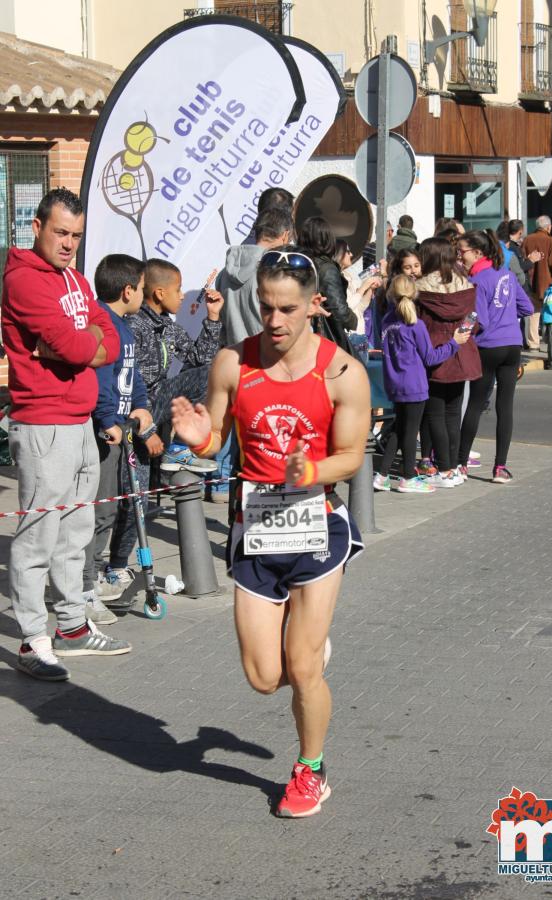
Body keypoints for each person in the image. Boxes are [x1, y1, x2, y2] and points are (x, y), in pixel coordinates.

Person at [170, 246, 370, 818]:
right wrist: (197, 438)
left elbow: (352, 455)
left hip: (315, 527)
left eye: (287, 308)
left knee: (302, 667)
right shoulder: (234, 363)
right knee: (264, 677)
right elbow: (216, 441)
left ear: (315, 305)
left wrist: (312, 470)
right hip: (254, 527)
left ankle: (310, 769)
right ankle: (307, 654)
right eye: (266, 306)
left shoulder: (342, 373)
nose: (274, 321)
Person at [1, 187, 131, 681]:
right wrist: (80, 347)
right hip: (43, 423)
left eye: (75, 235)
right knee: (38, 536)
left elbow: (107, 336)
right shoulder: (24, 281)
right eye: (60, 232)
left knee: (75, 532)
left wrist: (83, 346)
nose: (68, 243)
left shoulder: (73, 278)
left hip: (78, 422)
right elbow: (72, 345)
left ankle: (73, 626)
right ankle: (33, 640)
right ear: (36, 227)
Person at [82, 255, 158, 622]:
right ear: (128, 290)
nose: (143, 294)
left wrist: (141, 407)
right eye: (142, 288)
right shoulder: (102, 324)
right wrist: (108, 419)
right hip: (105, 435)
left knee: (113, 507)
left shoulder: (124, 328)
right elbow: (101, 378)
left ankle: (100, 576)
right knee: (100, 511)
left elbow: (134, 377)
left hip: (123, 430)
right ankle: (87, 583)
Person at [124, 258, 223, 534]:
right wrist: (146, 430)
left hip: (158, 404)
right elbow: (133, 384)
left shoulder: (168, 326)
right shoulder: (137, 326)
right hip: (137, 413)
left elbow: (200, 358)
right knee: (134, 500)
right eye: (178, 290)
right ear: (159, 293)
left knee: (212, 371)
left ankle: (179, 448)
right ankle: (114, 563)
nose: (182, 296)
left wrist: (212, 317)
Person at [374, 275, 470, 493]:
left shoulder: (387, 321)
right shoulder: (415, 325)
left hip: (394, 384)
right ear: (415, 294)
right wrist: (454, 343)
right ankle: (408, 477)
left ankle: (382, 475)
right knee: (410, 432)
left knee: (399, 429)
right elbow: (430, 357)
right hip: (415, 385)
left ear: (391, 294)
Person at [456, 229, 534, 484]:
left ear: (478, 253)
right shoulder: (508, 275)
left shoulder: (478, 281)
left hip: (489, 346)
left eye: (462, 251)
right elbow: (527, 307)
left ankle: (461, 463)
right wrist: (508, 318)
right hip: (512, 346)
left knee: (476, 405)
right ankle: (500, 467)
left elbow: (481, 321)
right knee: (505, 406)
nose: (460, 256)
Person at [415, 238, 481, 488]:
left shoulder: (420, 288)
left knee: (435, 414)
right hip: (462, 351)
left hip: (434, 353)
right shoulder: (465, 284)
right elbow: (474, 320)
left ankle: (444, 468)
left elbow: (415, 322)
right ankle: (454, 466)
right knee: (453, 413)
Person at [217, 207, 293, 346]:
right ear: (285, 235)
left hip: (234, 357)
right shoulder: (276, 270)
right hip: (269, 357)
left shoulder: (224, 273)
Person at [298, 216, 358, 353]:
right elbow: (339, 310)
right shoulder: (327, 269)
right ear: (327, 239)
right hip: (326, 336)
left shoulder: (300, 263)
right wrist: (354, 321)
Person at [522, 215, 552, 351]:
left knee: (534, 313)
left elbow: (522, 260)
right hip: (548, 284)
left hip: (531, 283)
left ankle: (533, 343)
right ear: (548, 227)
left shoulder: (527, 239)